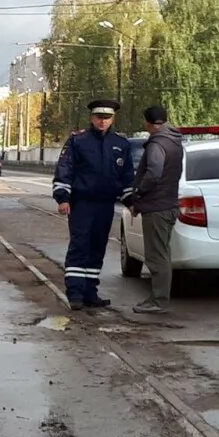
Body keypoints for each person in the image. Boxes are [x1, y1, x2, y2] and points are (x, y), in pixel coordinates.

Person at [51, 98, 133, 309]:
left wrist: (131, 201)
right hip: (81, 204)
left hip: (105, 205)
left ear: (113, 119)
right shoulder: (78, 141)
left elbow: (126, 178)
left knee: (98, 248)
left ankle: (90, 292)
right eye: (99, 117)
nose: (102, 122)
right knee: (80, 246)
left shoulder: (120, 144)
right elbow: (65, 170)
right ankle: (75, 293)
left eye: (107, 118)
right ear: (92, 118)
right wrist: (63, 198)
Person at [127, 104, 184, 314]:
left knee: (156, 256)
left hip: (156, 207)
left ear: (149, 123)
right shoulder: (175, 141)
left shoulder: (157, 144)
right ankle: (160, 297)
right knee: (163, 254)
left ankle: (158, 300)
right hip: (169, 205)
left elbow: (153, 173)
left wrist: (138, 194)